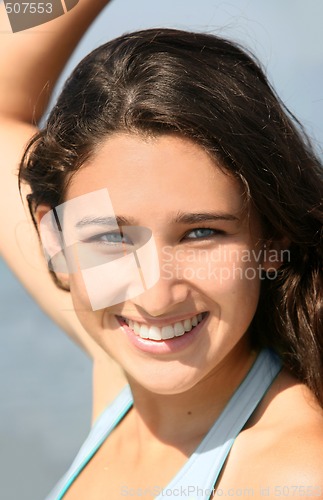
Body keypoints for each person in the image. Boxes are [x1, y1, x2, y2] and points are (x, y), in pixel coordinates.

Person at [1, 1, 323, 499]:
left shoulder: (293, 477)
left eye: (201, 234)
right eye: (110, 237)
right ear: (56, 239)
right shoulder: (122, 372)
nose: (155, 297)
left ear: (272, 237)